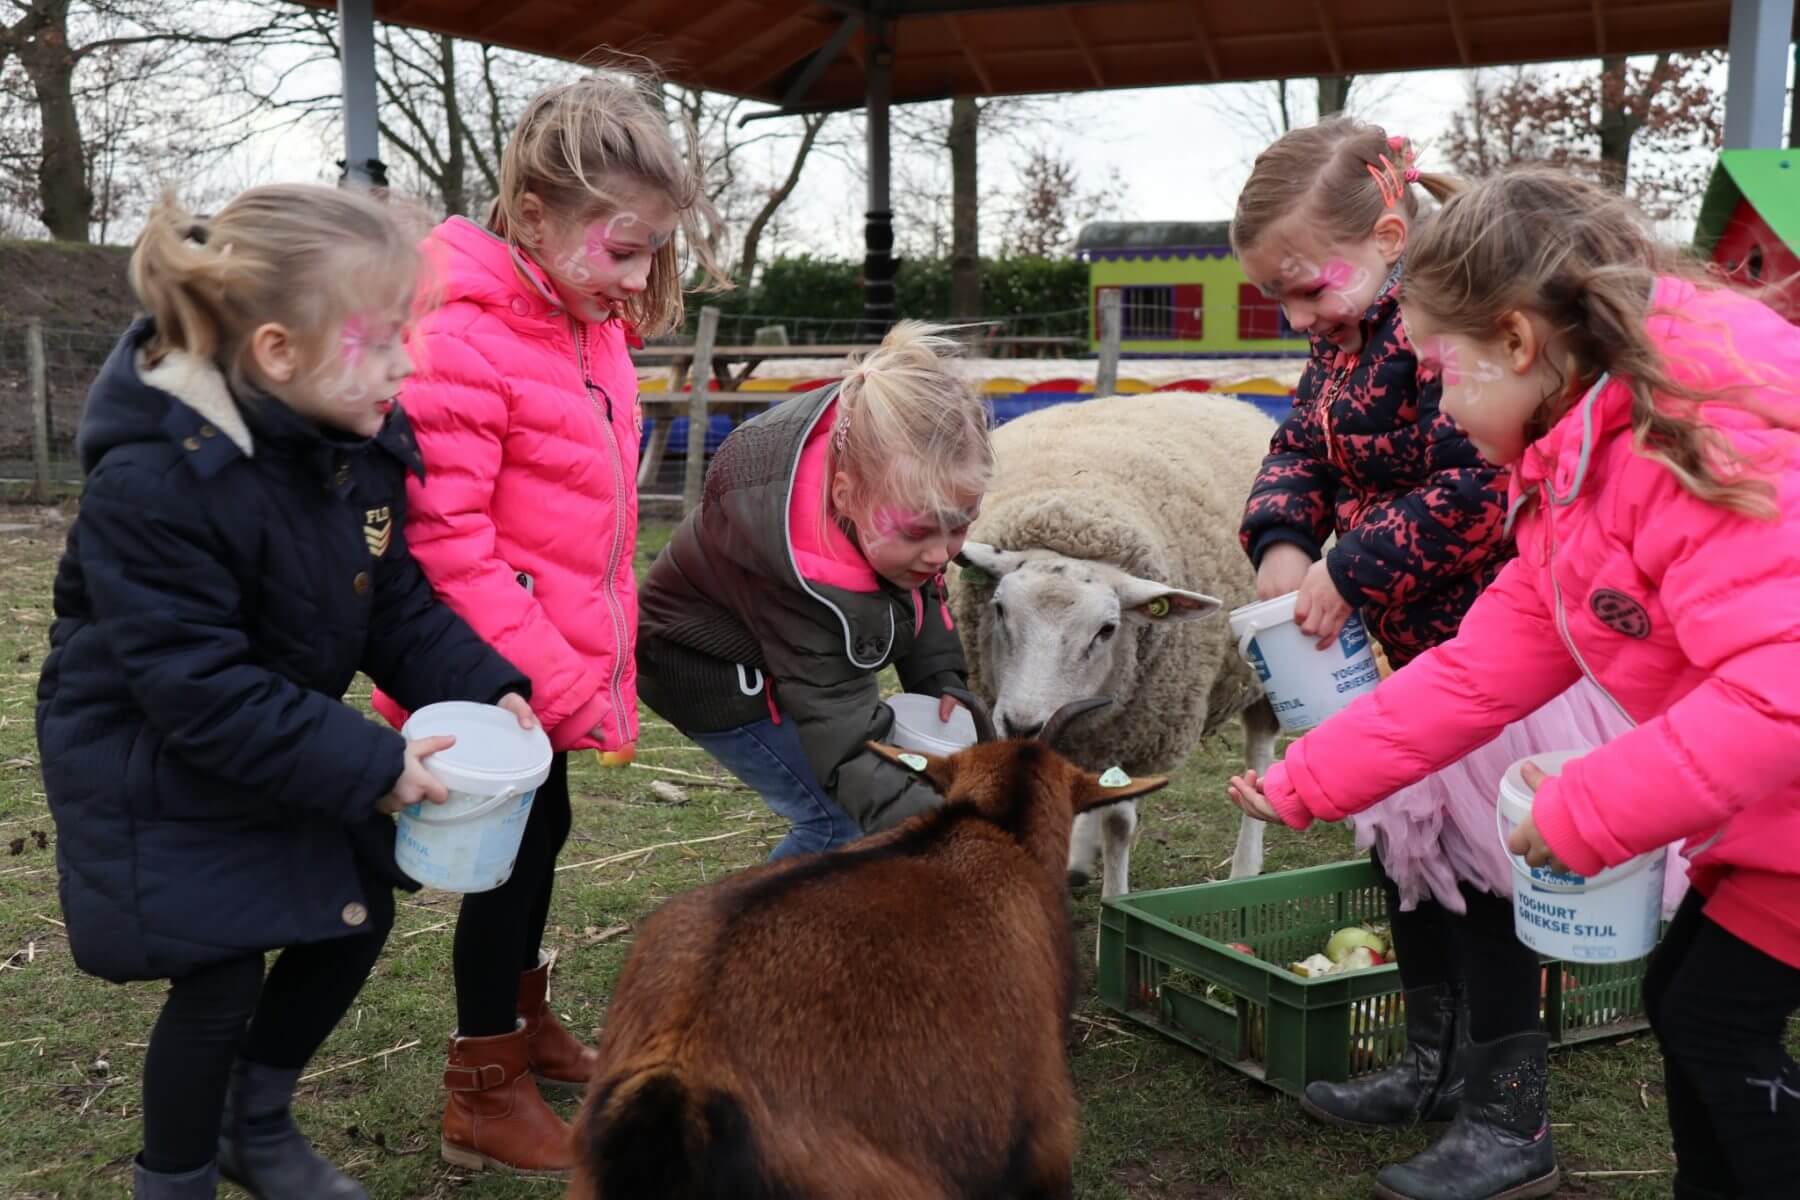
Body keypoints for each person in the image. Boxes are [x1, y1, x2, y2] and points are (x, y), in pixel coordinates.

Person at [1230, 166, 1800, 1200]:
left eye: (1443, 370)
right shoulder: (1579, 467)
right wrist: (1316, 775)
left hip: (1783, 792)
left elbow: (1780, 691)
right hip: (1770, 808)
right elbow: (1485, 666)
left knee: (1714, 1015)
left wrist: (1585, 809)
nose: (1438, 398)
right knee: (1692, 1001)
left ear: (1517, 344)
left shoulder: (1690, 443)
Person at [36, 186, 533, 1200]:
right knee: (216, 975)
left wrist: (485, 686)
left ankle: (252, 1126)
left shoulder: (349, 452)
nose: (409, 362)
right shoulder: (159, 484)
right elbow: (195, 685)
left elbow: (394, 605)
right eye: (385, 338)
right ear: (276, 353)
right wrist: (369, 763)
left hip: (270, 730)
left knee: (350, 915)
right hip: (150, 753)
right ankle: (173, 1180)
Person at [1230, 121, 1641, 1200]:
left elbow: (1478, 488)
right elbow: (1299, 448)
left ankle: (1513, 1121)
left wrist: (1351, 566)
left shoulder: (1448, 333)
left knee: (1495, 880)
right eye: (1280, 299)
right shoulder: (1339, 341)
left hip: (1491, 659)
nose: (1299, 315)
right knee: (1411, 865)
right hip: (1392, 659)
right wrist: (1282, 539)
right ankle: (1436, 1065)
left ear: (1391, 236)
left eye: (1304, 288)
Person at [369, 69, 726, 1175]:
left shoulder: (585, 325)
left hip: (547, 657)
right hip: (489, 664)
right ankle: (482, 1085)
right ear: (532, 216)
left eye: (653, 253)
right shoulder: (464, 337)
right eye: (621, 248)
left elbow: (584, 517)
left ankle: (521, 1024)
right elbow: (446, 544)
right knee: (506, 862)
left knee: (548, 834)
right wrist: (554, 679)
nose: (637, 276)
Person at [636, 321, 990, 857]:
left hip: (778, 657)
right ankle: (757, 932)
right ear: (844, 496)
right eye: (921, 532)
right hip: (706, 670)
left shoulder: (889, 489)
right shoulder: (804, 575)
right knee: (837, 820)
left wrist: (939, 678)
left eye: (961, 525)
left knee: (877, 800)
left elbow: (923, 589)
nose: (942, 552)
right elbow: (844, 744)